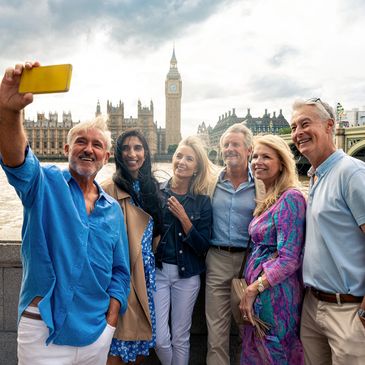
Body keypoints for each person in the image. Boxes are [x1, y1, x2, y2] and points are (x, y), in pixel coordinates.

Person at [0, 62, 130, 365]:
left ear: (106, 156)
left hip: (95, 334)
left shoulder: (112, 210)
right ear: (66, 148)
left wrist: (111, 320)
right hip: (43, 330)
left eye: (97, 144)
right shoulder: (43, 183)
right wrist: (8, 112)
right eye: (81, 142)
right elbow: (15, 159)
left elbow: (121, 271)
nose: (88, 149)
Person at [291, 98, 365, 365]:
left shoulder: (351, 173)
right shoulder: (315, 176)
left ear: (330, 126)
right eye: (294, 126)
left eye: (305, 123)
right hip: (313, 307)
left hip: (347, 310)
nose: (298, 132)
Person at [239, 134, 306, 364]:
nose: (258, 161)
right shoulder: (270, 197)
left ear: (281, 164)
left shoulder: (291, 198)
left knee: (273, 353)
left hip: (274, 297)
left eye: (266, 156)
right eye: (255, 156)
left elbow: (289, 258)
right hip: (261, 293)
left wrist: (253, 289)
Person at [205, 122, 265, 365]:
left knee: (249, 330)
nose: (229, 149)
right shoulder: (210, 182)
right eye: (226, 144)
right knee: (216, 334)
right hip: (216, 259)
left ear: (249, 149)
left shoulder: (262, 183)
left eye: (235, 144)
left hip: (250, 262)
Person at [101, 129, 163, 364]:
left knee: (139, 346)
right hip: (123, 278)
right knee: (116, 345)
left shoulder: (152, 189)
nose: (132, 154)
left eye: (137, 148)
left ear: (146, 154)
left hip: (146, 279)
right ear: (117, 154)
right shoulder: (107, 189)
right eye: (125, 148)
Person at [154, 136, 213, 365]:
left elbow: (202, 246)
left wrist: (184, 219)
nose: (182, 162)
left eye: (190, 158)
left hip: (187, 275)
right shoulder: (157, 193)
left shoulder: (203, 202)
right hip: (158, 273)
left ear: (197, 166)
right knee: (159, 338)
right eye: (179, 156)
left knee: (180, 337)